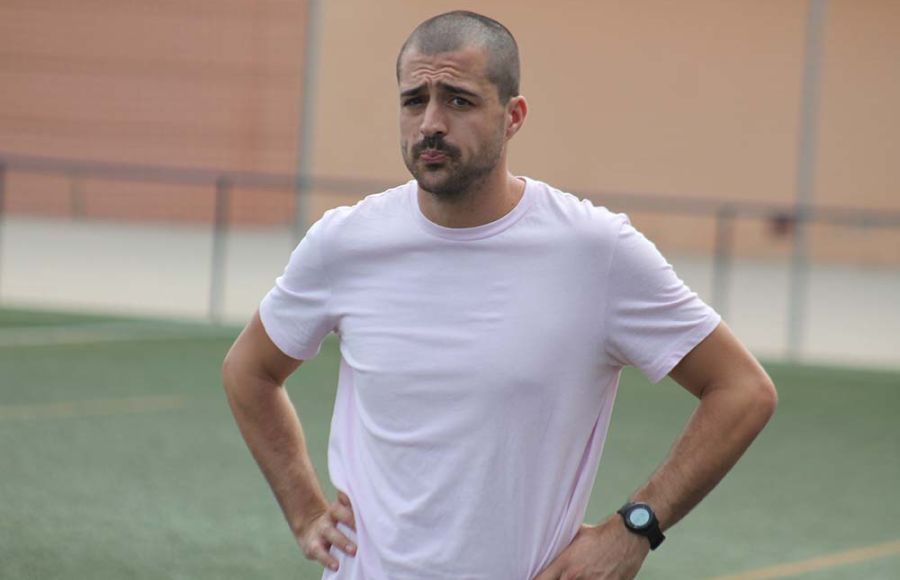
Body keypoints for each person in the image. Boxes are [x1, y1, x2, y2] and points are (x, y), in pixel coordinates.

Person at [222, 10, 777, 580]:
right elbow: (249, 371)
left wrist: (634, 528)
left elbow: (741, 389)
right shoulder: (345, 242)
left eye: (458, 100)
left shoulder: (595, 250)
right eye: (415, 100)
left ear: (513, 116)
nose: (431, 123)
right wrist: (305, 509)